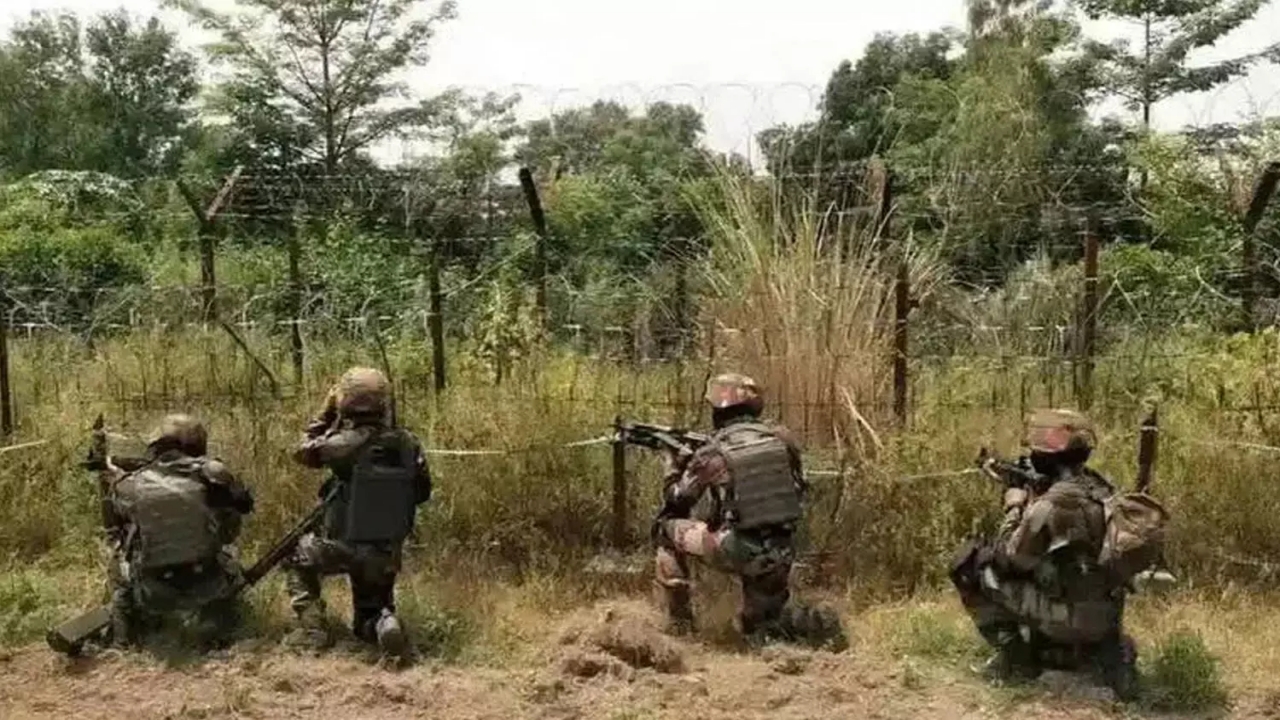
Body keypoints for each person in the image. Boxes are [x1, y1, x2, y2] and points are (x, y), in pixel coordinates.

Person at [950, 409, 1137, 698]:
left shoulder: (1050, 505)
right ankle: (1096, 655)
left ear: (1051, 458)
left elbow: (1011, 558)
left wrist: (1014, 505)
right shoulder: (1104, 490)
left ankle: (1014, 657)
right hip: (1107, 617)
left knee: (970, 563)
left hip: (1066, 617)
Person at [653, 373, 844, 649]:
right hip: (781, 552)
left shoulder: (713, 451)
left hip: (737, 549)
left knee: (665, 529)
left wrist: (672, 466)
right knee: (761, 632)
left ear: (718, 411)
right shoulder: (783, 440)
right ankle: (807, 624)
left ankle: (680, 626)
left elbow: (677, 500)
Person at [283, 367, 432, 659]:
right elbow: (422, 492)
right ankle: (384, 623)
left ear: (346, 402)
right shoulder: (408, 443)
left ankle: (313, 631)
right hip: (385, 553)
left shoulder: (343, 444)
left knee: (295, 557)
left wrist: (326, 413)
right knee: (369, 614)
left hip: (342, 547)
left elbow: (302, 451)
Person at [106, 414, 255, 649]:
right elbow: (243, 505)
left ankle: (123, 639)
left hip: (154, 593)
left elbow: (117, 524)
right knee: (228, 551)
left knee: (118, 561)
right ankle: (223, 623)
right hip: (208, 584)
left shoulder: (130, 484)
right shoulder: (212, 474)